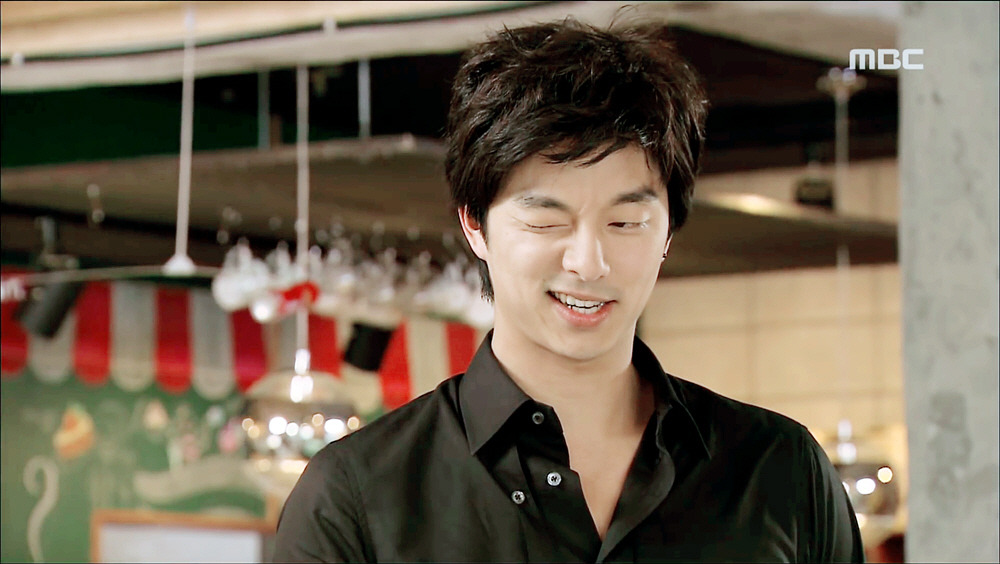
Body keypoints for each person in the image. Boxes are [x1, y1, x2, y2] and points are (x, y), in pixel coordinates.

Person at [272, 18, 864, 563]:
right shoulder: (356, 498)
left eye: (626, 222)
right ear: (474, 225)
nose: (589, 262)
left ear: (668, 232)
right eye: (546, 220)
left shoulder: (781, 472)